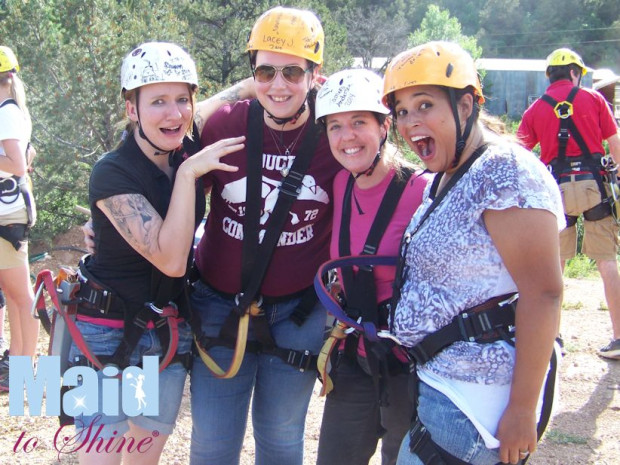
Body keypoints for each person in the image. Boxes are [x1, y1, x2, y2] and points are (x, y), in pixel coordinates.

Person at [382, 41, 565, 465]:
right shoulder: (444, 176)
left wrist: (522, 410)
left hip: (475, 404)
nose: (410, 123)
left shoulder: (505, 173)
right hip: (443, 389)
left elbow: (544, 294)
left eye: (425, 104)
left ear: (465, 106)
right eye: (402, 111)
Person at [68, 42, 244, 464]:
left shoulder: (180, 146)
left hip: (165, 328)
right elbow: (169, 259)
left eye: (182, 99)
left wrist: (258, 84)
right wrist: (187, 174)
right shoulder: (113, 171)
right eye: (158, 101)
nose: (174, 113)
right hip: (106, 332)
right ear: (132, 109)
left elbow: (206, 108)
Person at [188, 6, 341, 465]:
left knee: (280, 439)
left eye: (293, 72)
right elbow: (163, 144)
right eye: (265, 72)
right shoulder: (224, 124)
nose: (278, 85)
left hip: (298, 313)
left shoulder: (335, 132)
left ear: (315, 74)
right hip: (220, 304)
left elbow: (382, 173)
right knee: (213, 444)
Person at [313, 69, 429, 465]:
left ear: (384, 127)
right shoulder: (342, 184)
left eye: (359, 123)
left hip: (408, 366)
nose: (347, 137)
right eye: (335, 126)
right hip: (355, 354)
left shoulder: (422, 191)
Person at [517, 48, 620, 361]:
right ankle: (619, 337)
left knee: (555, 267)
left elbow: (519, 156)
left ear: (550, 75)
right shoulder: (594, 99)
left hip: (555, 191)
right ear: (576, 73)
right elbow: (615, 144)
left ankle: (552, 339)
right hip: (594, 186)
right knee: (607, 262)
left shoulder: (535, 109)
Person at [0, 45, 39, 392]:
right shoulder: (10, 110)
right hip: (9, 210)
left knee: (20, 295)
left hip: (7, 213)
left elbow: (16, 164)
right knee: (14, 295)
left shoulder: (7, 114)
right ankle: (19, 368)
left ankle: (24, 371)